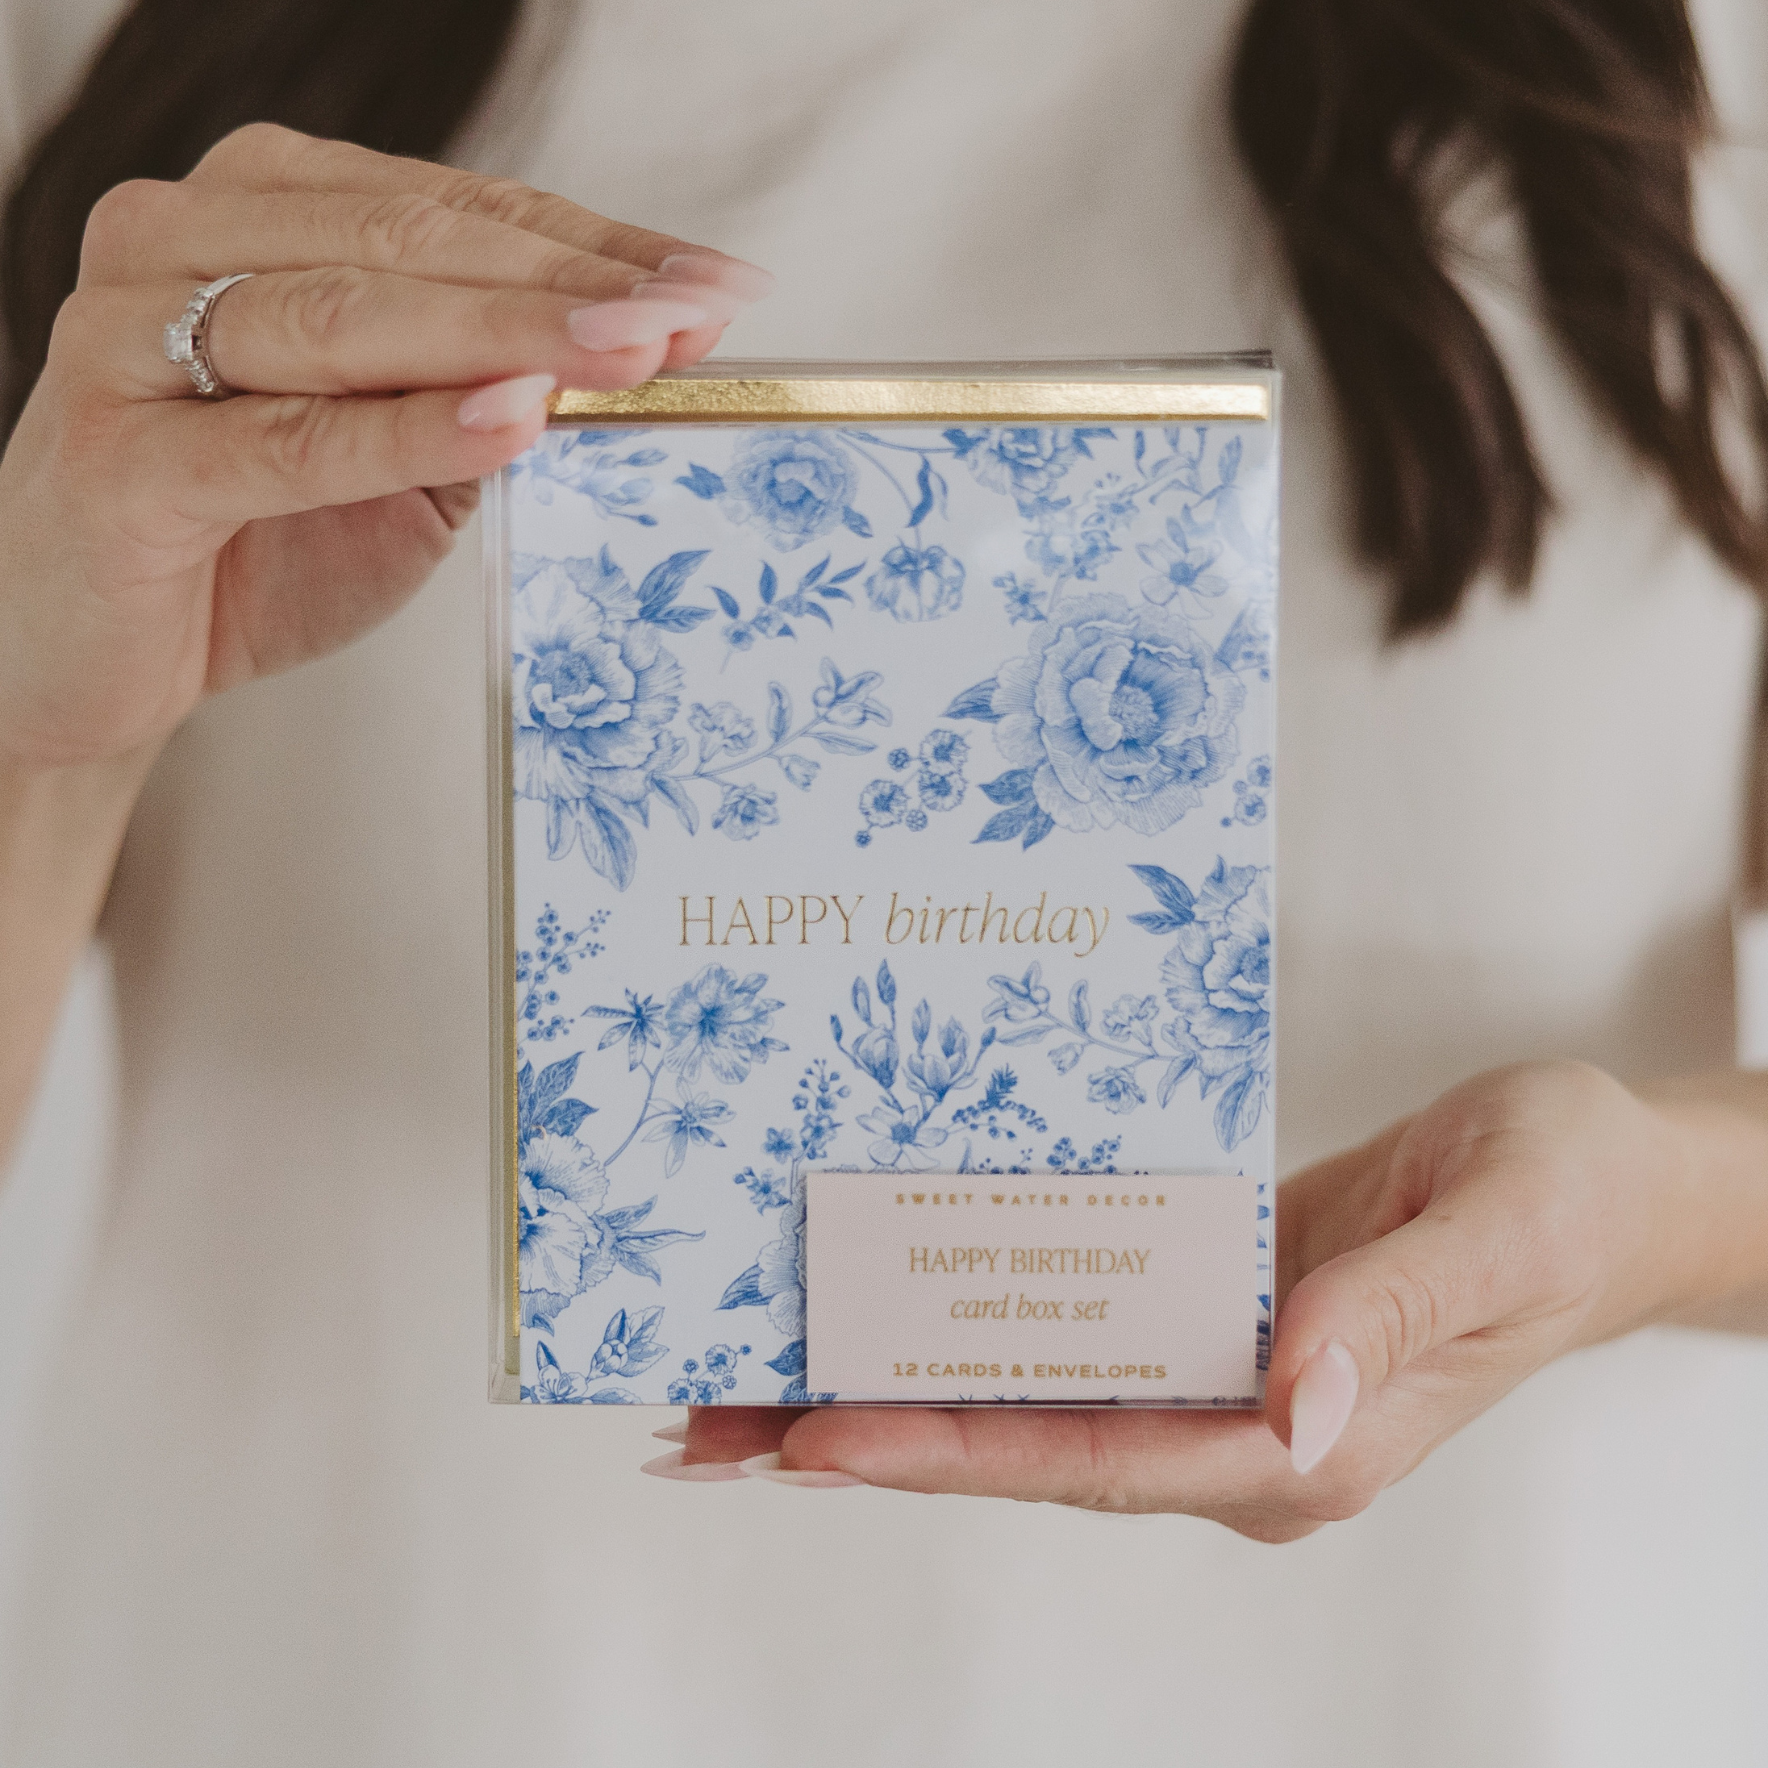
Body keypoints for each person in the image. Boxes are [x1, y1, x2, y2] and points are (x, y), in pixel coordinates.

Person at [2, 0, 1767, 1761]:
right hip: (340, 1683)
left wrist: (1655, 1210)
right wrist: (41, 735)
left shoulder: (1716, 73)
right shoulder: (116, 89)